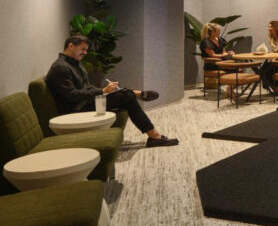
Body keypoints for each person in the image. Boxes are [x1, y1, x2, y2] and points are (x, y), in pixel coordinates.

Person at [46, 35, 179, 147]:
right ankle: (151, 130)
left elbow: (86, 88)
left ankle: (152, 132)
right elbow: (72, 96)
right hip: (76, 109)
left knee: (126, 97)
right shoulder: (61, 68)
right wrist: (102, 91)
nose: (85, 53)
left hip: (85, 102)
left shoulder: (74, 63)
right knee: (127, 96)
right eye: (83, 49)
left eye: (86, 50)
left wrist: (104, 91)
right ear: (70, 46)